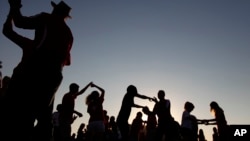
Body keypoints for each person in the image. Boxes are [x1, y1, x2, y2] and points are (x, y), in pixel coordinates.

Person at [1, 1, 74, 141]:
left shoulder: (46, 18)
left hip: (36, 69)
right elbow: (67, 61)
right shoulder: (69, 34)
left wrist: (14, 7)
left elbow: (19, 22)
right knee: (43, 118)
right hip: (55, 76)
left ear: (55, 10)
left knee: (16, 113)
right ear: (66, 16)